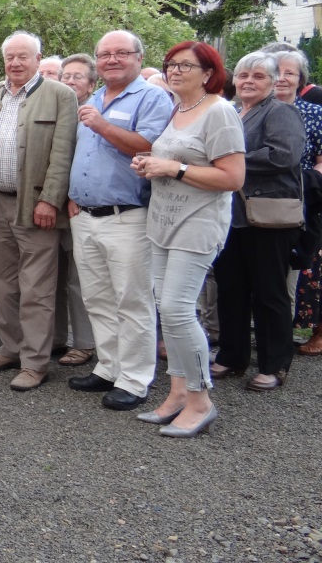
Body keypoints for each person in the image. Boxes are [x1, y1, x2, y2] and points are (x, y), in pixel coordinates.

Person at [132, 41, 244, 436]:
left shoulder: (220, 112)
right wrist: (150, 164)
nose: (174, 71)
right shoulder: (179, 108)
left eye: (185, 65)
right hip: (164, 221)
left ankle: (200, 399)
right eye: (170, 65)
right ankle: (178, 392)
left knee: (178, 310)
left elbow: (232, 178)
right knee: (168, 308)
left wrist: (174, 167)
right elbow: (176, 159)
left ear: (209, 73)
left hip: (197, 224)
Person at [0, 32, 78, 392]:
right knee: (3, 282)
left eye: (22, 57)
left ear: (38, 58)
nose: (15, 63)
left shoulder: (60, 95)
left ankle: (35, 362)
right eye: (9, 57)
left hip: (35, 204)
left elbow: (63, 154)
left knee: (37, 287)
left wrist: (50, 200)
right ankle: (10, 347)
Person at [65, 32, 172, 411]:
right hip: (85, 215)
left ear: (139, 57)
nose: (112, 59)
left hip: (127, 215)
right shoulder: (93, 98)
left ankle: (136, 379)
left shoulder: (153, 97)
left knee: (132, 299)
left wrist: (101, 125)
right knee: (98, 298)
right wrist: (70, 195)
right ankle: (109, 367)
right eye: (105, 54)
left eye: (121, 53)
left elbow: (149, 147)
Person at [210, 52, 305, 393]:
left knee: (269, 293)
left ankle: (274, 363)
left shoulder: (281, 111)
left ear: (273, 81)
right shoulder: (233, 112)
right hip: (230, 216)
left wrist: (231, 162)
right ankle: (233, 355)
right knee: (231, 289)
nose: (249, 81)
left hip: (268, 217)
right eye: (244, 75)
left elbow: (283, 155)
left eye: (258, 76)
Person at [51, 53, 97, 368]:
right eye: (65, 76)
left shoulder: (94, 113)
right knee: (49, 276)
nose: (69, 81)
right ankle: (53, 338)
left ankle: (84, 343)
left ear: (92, 84)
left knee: (78, 279)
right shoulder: (54, 108)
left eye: (77, 77)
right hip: (49, 204)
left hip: (80, 206)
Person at [277, 50, 322, 355]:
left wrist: (303, 181)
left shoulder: (315, 113)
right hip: (247, 203)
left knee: (289, 276)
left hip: (300, 203)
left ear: (300, 79)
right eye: (276, 71)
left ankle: (278, 345)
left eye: (289, 73)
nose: (282, 78)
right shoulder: (242, 109)